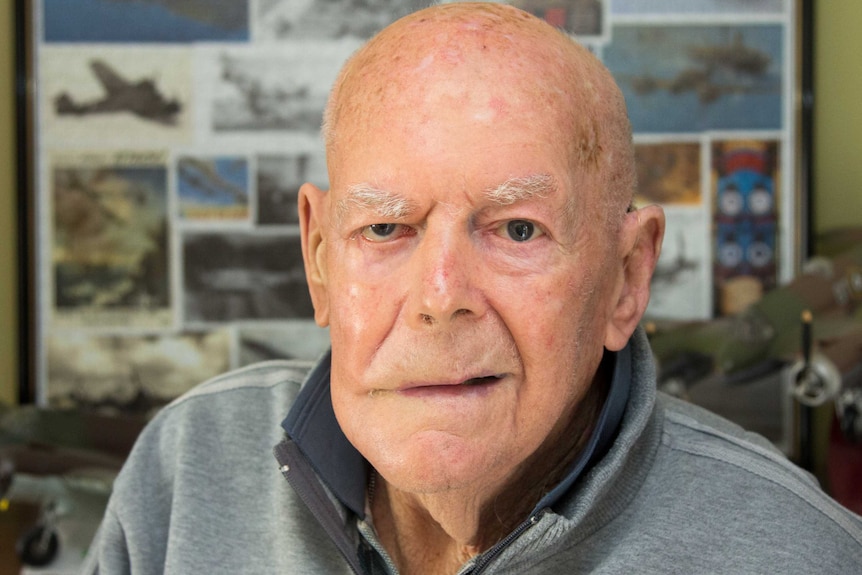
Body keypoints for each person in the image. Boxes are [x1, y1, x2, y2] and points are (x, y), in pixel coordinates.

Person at [83, 3, 862, 573]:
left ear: (628, 278)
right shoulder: (184, 471)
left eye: (518, 229)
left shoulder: (805, 554)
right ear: (319, 258)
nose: (440, 293)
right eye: (385, 229)